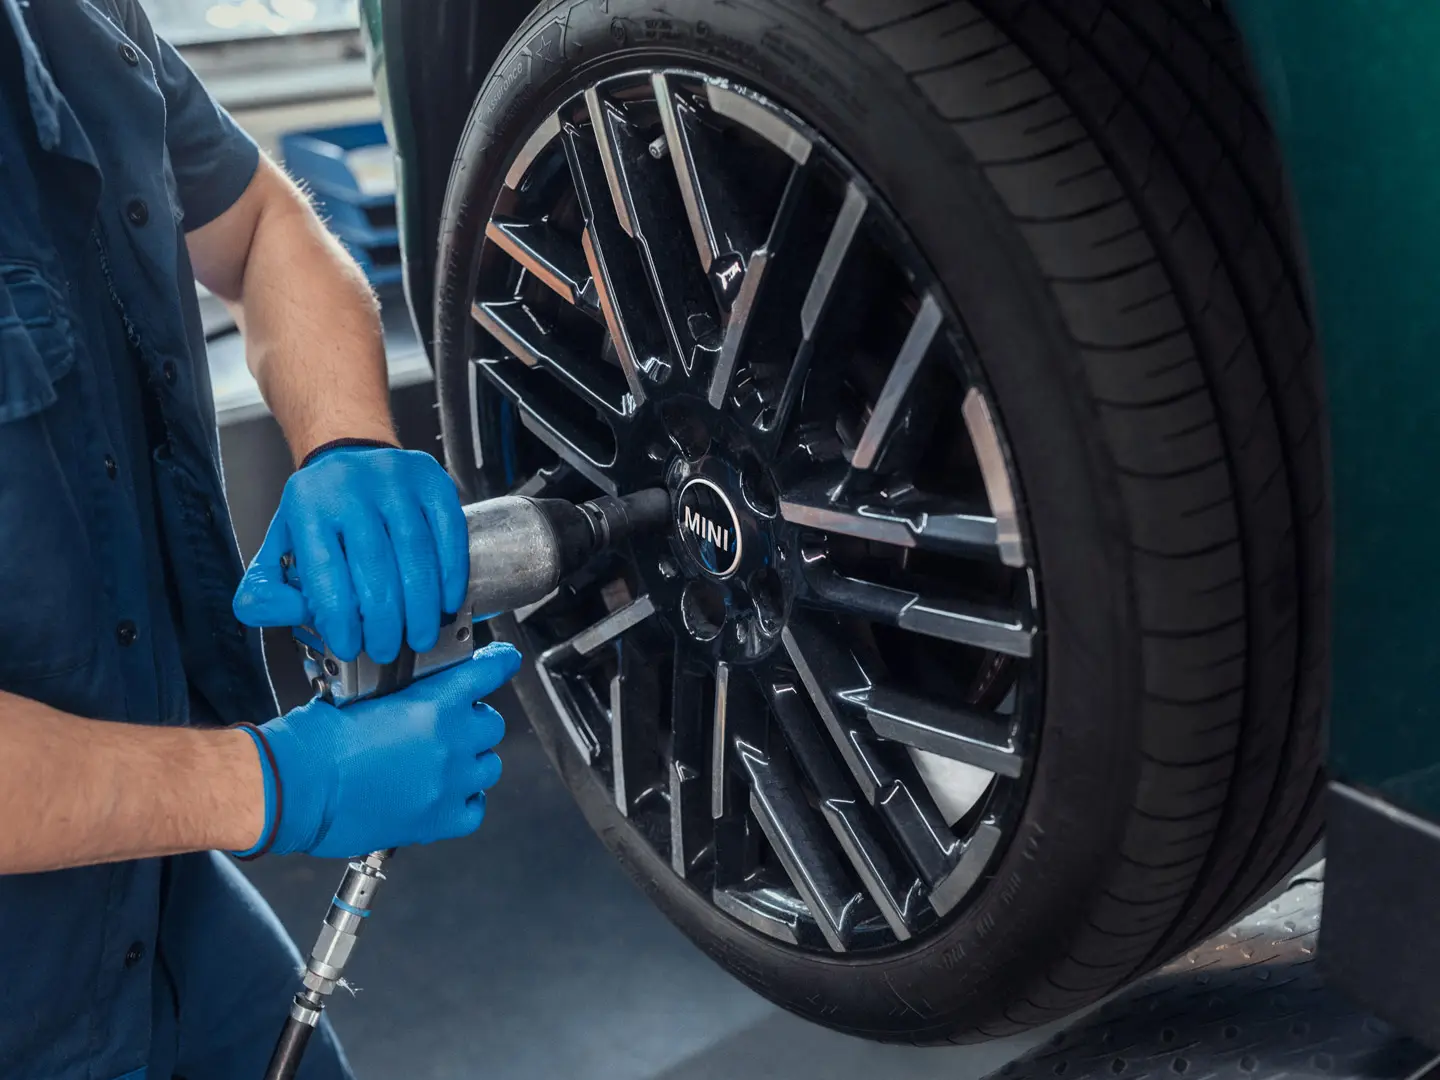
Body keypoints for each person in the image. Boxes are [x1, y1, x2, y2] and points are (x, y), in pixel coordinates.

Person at [0, 2, 520, 1077]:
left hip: (161, 888)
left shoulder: (75, 22)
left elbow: (265, 226)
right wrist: (269, 787)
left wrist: (342, 444)